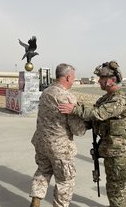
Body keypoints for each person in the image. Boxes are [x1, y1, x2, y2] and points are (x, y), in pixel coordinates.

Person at [59, 61, 126, 207]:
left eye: (102, 78)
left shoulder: (120, 99)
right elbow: (93, 119)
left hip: (119, 153)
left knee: (116, 190)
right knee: (112, 186)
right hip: (109, 150)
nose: (98, 80)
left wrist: (75, 109)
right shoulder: (105, 98)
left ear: (111, 80)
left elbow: (98, 113)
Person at [30, 63, 87, 207]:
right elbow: (78, 130)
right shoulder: (68, 98)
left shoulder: (46, 92)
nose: (74, 80)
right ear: (68, 77)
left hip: (42, 143)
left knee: (43, 171)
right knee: (65, 181)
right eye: (73, 77)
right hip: (60, 148)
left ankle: (36, 201)